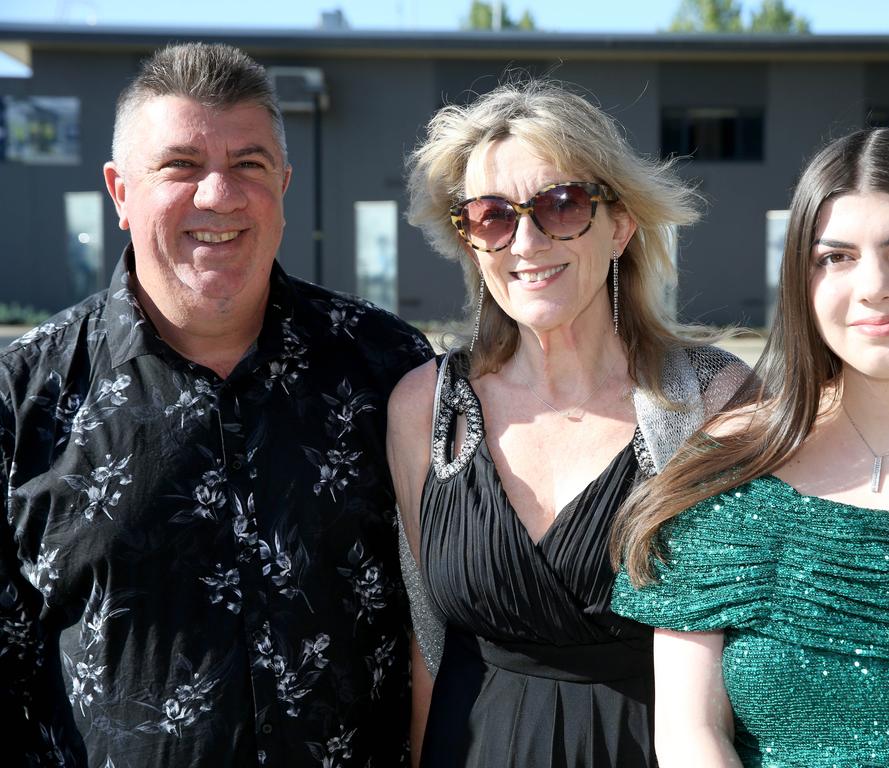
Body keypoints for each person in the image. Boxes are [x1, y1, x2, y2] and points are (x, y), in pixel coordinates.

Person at [0, 43, 433, 766]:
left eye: (249, 166)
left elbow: (443, 622)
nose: (218, 196)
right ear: (119, 194)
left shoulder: (389, 370)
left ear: (284, 187)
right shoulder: (24, 399)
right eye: (180, 166)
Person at [612, 127, 889, 766]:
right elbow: (692, 733)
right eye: (835, 257)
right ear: (801, 285)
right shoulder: (730, 469)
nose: (875, 287)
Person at [389, 79, 748, 767]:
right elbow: (427, 647)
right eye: (492, 216)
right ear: (468, 241)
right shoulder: (424, 410)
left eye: (561, 205)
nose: (526, 240)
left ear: (620, 225)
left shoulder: (714, 400)